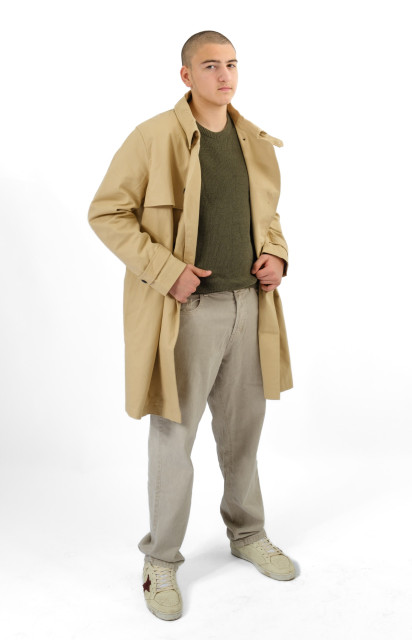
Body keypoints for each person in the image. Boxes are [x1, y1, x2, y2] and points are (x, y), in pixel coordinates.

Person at [88, 30, 295, 622]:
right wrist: (166, 271)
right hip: (186, 313)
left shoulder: (254, 140)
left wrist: (276, 254)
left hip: (249, 306)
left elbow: (268, 215)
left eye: (231, 64)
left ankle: (248, 533)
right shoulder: (153, 137)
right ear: (186, 76)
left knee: (243, 433)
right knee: (174, 439)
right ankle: (160, 559)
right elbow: (107, 212)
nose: (224, 75)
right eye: (210, 66)